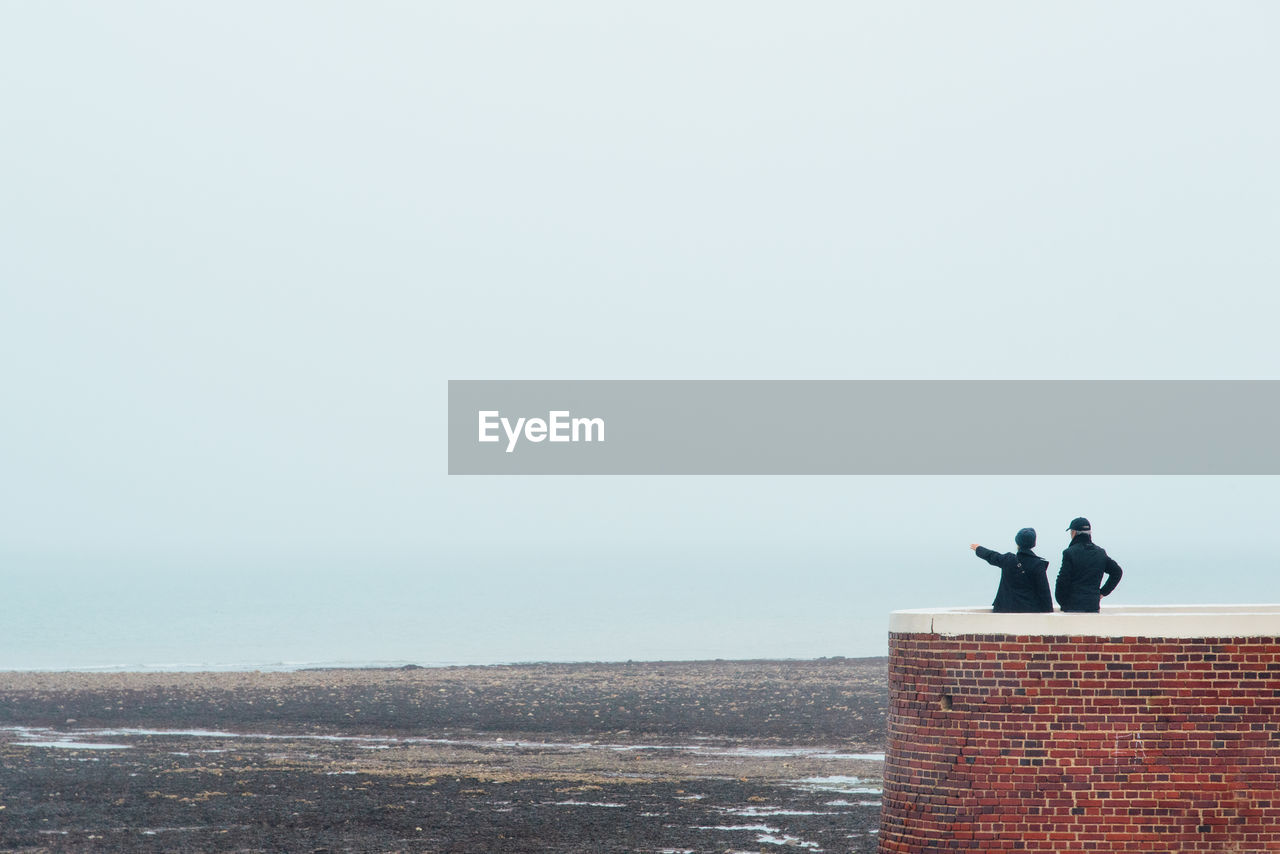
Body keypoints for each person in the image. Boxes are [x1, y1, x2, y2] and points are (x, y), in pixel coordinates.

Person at [968, 527, 1053, 613]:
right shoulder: (1037, 564)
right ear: (1033, 544)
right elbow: (1044, 593)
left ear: (1017, 543)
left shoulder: (1008, 559)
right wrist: (1049, 614)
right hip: (1029, 612)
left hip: (1004, 610)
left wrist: (978, 548)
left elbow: (992, 556)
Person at [1054, 517, 1123, 613]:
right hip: (1093, 605)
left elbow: (1063, 580)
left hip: (1072, 606)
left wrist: (1063, 602)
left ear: (1074, 532)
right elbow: (1117, 572)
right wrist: (1102, 592)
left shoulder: (1069, 553)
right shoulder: (1100, 553)